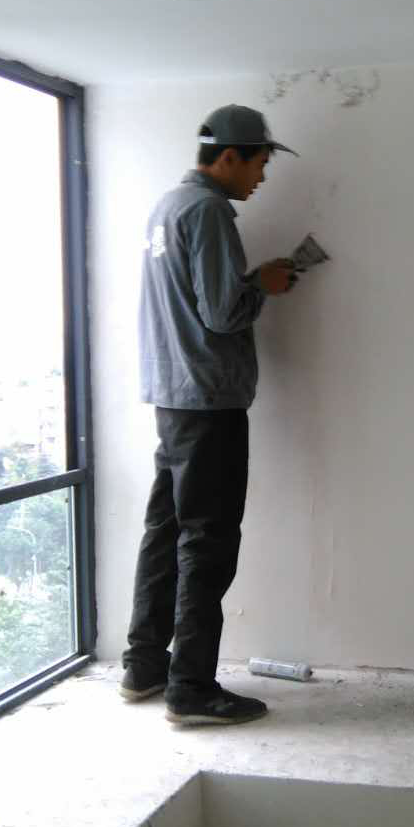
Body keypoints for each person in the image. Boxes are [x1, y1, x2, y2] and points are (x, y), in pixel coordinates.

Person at [120, 104, 299, 725]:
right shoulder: (209, 211)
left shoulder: (167, 206)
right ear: (229, 157)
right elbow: (222, 314)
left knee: (166, 531)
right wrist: (263, 286)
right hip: (209, 400)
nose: (262, 177)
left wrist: (246, 283)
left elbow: (195, 301)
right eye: (260, 162)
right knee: (208, 542)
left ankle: (144, 665)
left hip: (173, 396)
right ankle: (191, 688)